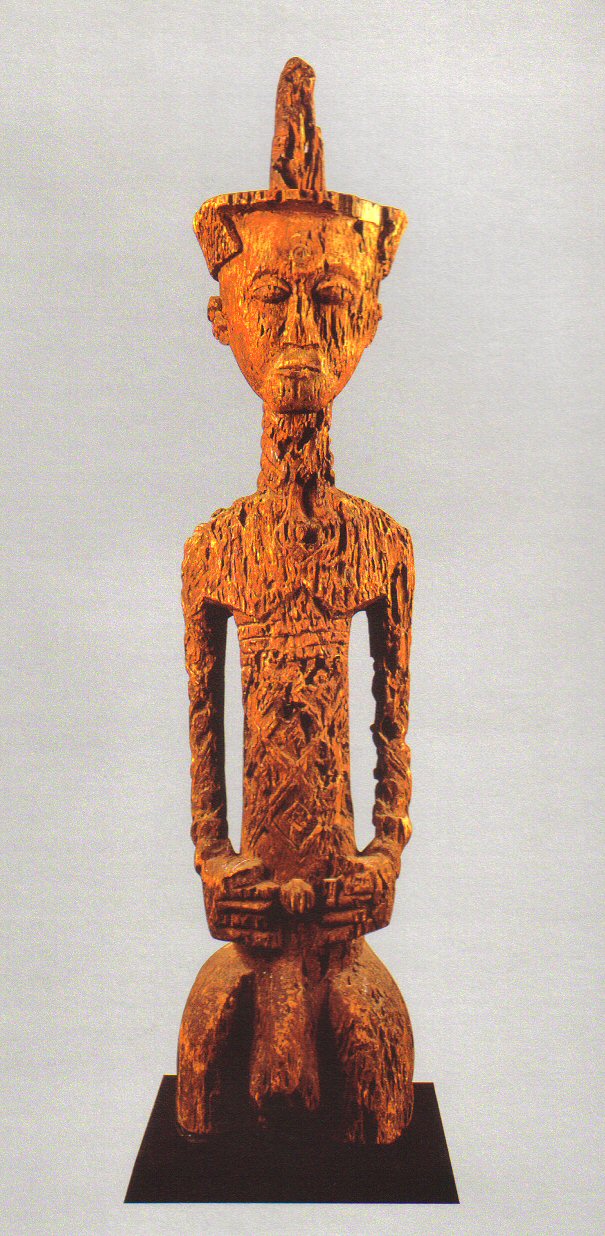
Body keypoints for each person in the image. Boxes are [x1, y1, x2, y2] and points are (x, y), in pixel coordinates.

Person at [177, 58, 415, 1144]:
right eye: (272, 299)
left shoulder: (380, 547)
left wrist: (383, 860)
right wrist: (215, 863)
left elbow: (392, 735)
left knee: (376, 1084)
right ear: (222, 318)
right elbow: (202, 736)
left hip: (341, 920)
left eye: (331, 303)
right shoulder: (215, 552)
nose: (302, 338)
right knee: (207, 1071)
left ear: (368, 323)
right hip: (255, 919)